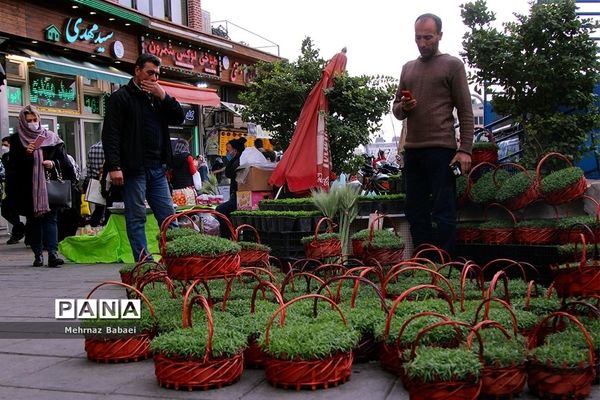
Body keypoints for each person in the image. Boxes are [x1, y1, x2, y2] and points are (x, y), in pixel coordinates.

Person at [392, 13, 474, 257]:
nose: (422, 42)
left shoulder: (452, 65)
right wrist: (404, 108)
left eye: (428, 37)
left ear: (439, 35)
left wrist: (465, 149)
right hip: (413, 149)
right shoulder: (408, 68)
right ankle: (425, 263)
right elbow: (396, 109)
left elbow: (465, 110)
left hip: (442, 150)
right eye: (418, 37)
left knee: (443, 210)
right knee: (415, 210)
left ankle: (445, 265)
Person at [102, 53, 184, 262]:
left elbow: (179, 117)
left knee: (168, 217)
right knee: (137, 217)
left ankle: (174, 260)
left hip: (157, 168)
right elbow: (110, 134)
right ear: (137, 71)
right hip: (133, 169)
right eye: (149, 73)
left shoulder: (157, 99)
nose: (154, 78)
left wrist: (163, 96)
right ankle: (144, 264)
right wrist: (114, 166)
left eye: (157, 74)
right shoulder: (120, 98)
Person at [6, 105, 75, 267]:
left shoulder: (50, 138)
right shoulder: (16, 140)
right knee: (33, 221)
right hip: (28, 189)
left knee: (51, 220)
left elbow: (65, 163)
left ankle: (52, 253)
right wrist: (26, 155)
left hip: (49, 187)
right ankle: (38, 255)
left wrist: (52, 163)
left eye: (35, 120)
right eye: (28, 121)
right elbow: (12, 168)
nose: (32, 123)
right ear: (22, 122)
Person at [216, 137, 246, 238]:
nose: (227, 153)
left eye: (228, 150)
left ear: (235, 150)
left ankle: (226, 237)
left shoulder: (238, 162)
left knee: (220, 210)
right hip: (237, 195)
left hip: (240, 197)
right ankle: (230, 236)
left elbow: (229, 173)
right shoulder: (237, 160)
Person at [1, 136, 26, 244]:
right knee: (6, 211)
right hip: (9, 188)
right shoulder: (5, 156)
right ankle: (19, 228)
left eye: (6, 145)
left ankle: (19, 233)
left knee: (15, 210)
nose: (3, 147)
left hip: (20, 188)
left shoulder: (20, 156)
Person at [85, 141, 106, 227]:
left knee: (99, 205)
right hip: (108, 179)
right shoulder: (109, 148)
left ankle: (94, 223)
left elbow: (88, 168)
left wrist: (90, 180)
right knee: (109, 206)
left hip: (96, 180)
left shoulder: (92, 148)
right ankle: (105, 224)